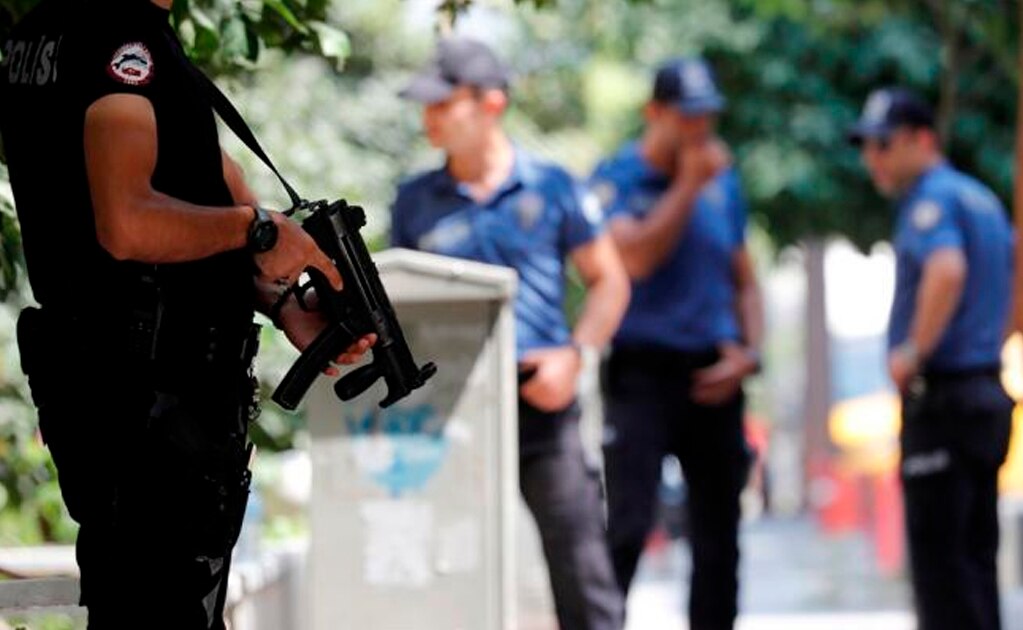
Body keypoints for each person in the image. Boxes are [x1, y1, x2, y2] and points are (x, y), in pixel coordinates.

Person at [0, 0, 373, 627]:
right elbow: (127, 226)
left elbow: (187, 199)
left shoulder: (50, 30)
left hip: (122, 395)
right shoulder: (121, 41)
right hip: (150, 409)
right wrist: (259, 231)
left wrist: (281, 299)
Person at [392, 37, 630, 630]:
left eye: (443, 103)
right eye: (425, 105)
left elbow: (609, 282)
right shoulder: (414, 202)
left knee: (583, 574)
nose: (429, 118)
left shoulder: (553, 186)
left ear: (491, 103)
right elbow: (400, 304)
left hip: (541, 402)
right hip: (451, 410)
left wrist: (576, 358)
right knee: (446, 574)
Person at [589, 57, 763, 630]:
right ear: (655, 113)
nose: (700, 129)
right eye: (687, 116)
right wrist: (688, 183)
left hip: (715, 375)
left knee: (718, 539)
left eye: (707, 116)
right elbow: (635, 258)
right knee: (628, 525)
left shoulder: (725, 186)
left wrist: (749, 354)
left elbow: (745, 280)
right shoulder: (616, 179)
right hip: (642, 374)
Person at [848, 87, 1014, 630]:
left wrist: (912, 352)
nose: (872, 158)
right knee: (975, 558)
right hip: (985, 392)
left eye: (884, 144)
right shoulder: (981, 199)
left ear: (923, 140)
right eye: (867, 146)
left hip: (945, 400)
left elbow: (946, 269)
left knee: (942, 570)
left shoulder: (932, 200)